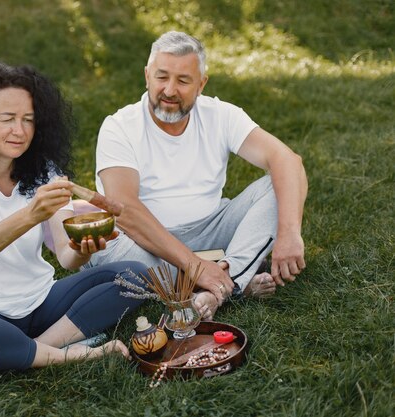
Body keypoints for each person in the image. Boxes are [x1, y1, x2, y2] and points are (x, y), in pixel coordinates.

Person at [0, 62, 147, 372]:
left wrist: (83, 247)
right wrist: (32, 215)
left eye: (28, 120)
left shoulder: (45, 173)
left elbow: (66, 258)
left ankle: (36, 349)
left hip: (39, 303)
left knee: (135, 275)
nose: (19, 131)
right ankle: (71, 354)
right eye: (7, 119)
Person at [85, 31, 308, 320]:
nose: (169, 90)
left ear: (201, 84)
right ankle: (233, 282)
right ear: (146, 76)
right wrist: (194, 265)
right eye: (161, 77)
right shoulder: (119, 126)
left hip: (211, 229)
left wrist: (290, 234)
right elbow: (124, 209)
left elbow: (288, 161)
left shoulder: (221, 115)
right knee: (105, 245)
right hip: (143, 243)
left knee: (277, 185)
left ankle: (219, 283)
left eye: (183, 80)